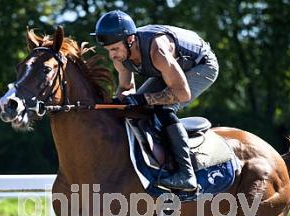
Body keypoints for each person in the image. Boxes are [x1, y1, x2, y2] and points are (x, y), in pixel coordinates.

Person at [91, 10, 219, 192]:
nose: (112, 56)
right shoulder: (121, 56)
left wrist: (143, 98)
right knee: (136, 109)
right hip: (170, 68)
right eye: (108, 50)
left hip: (201, 65)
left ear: (130, 41)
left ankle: (186, 174)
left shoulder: (156, 49)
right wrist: (114, 105)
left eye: (114, 49)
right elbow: (126, 88)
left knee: (163, 107)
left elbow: (182, 94)